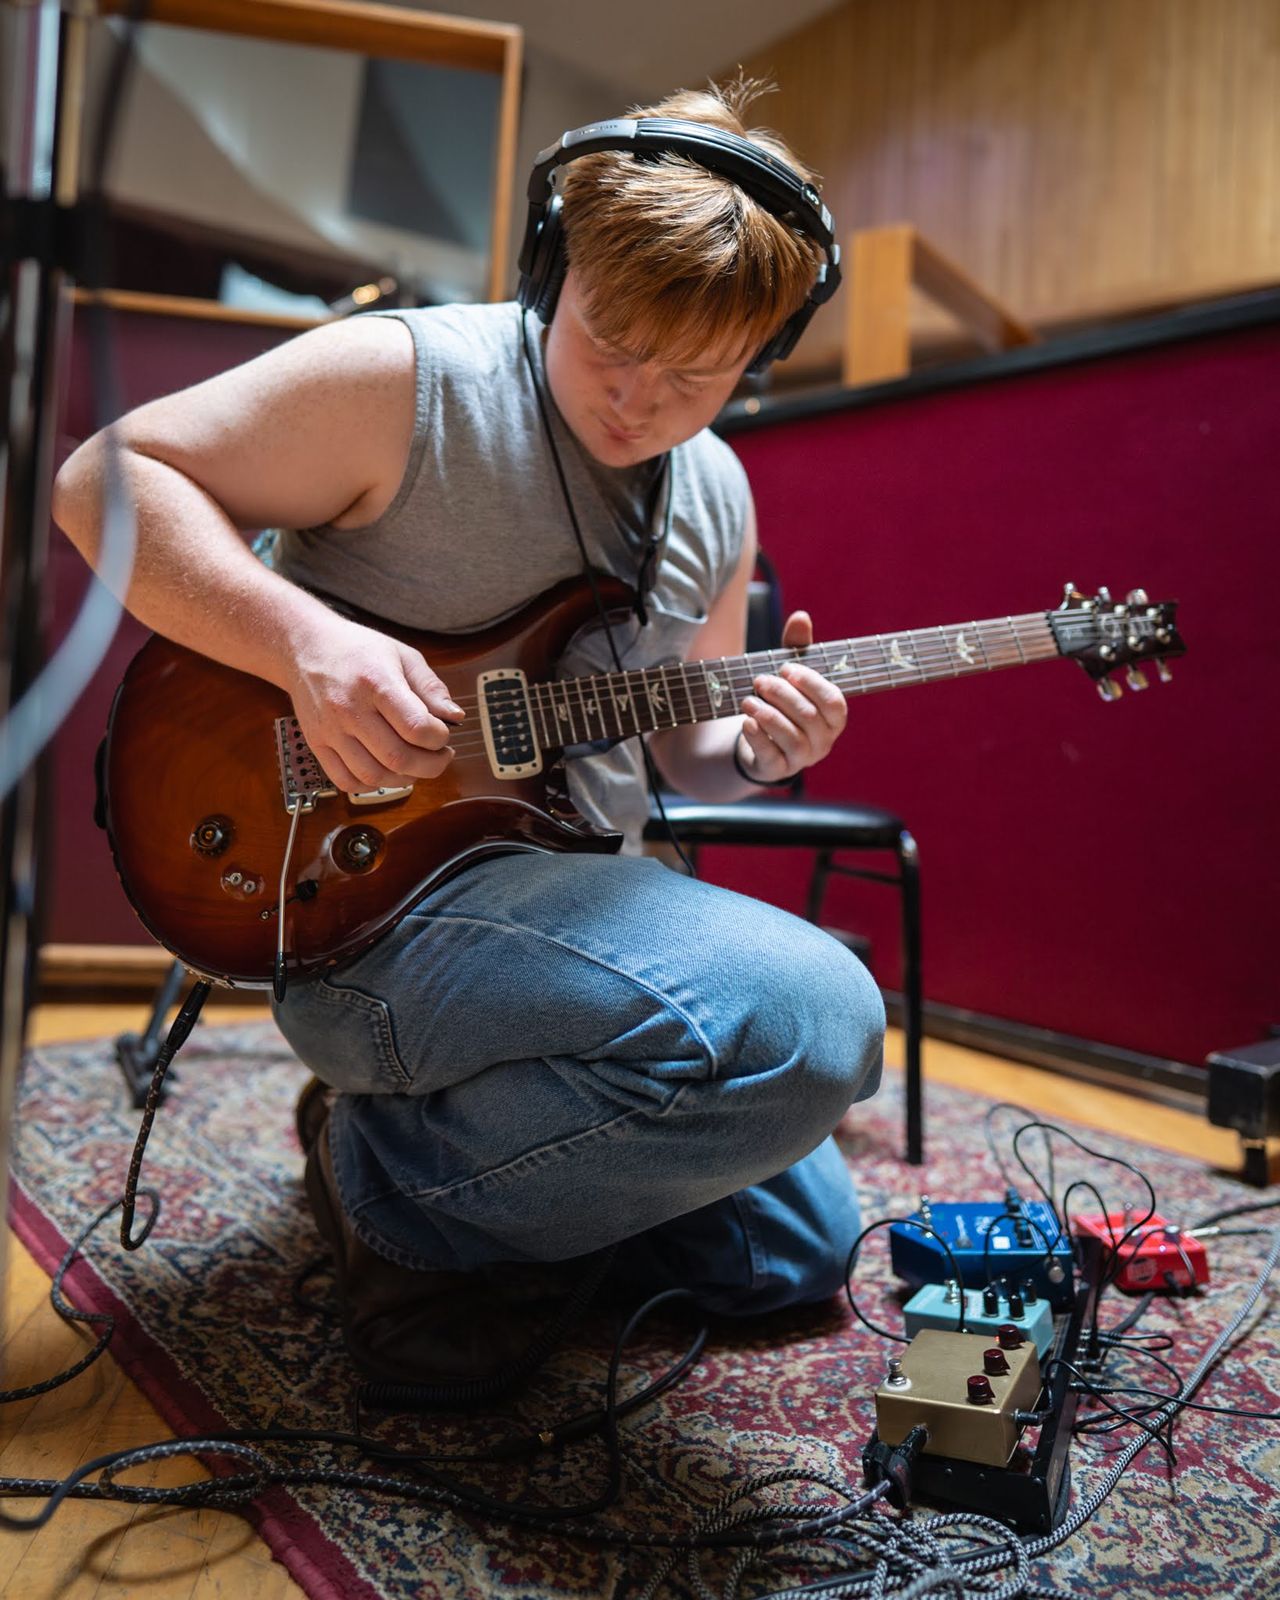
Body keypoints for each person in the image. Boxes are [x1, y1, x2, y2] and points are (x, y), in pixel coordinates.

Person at [53, 80, 885, 1383]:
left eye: (695, 376)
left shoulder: (718, 491)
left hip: (576, 910)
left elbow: (684, 753)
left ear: (762, 357)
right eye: (611, 341)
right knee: (815, 1022)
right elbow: (100, 482)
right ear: (557, 267)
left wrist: (759, 751)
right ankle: (390, 1182)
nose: (638, 400)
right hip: (375, 911)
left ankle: (441, 1151)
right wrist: (304, 643)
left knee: (795, 1255)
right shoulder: (409, 380)